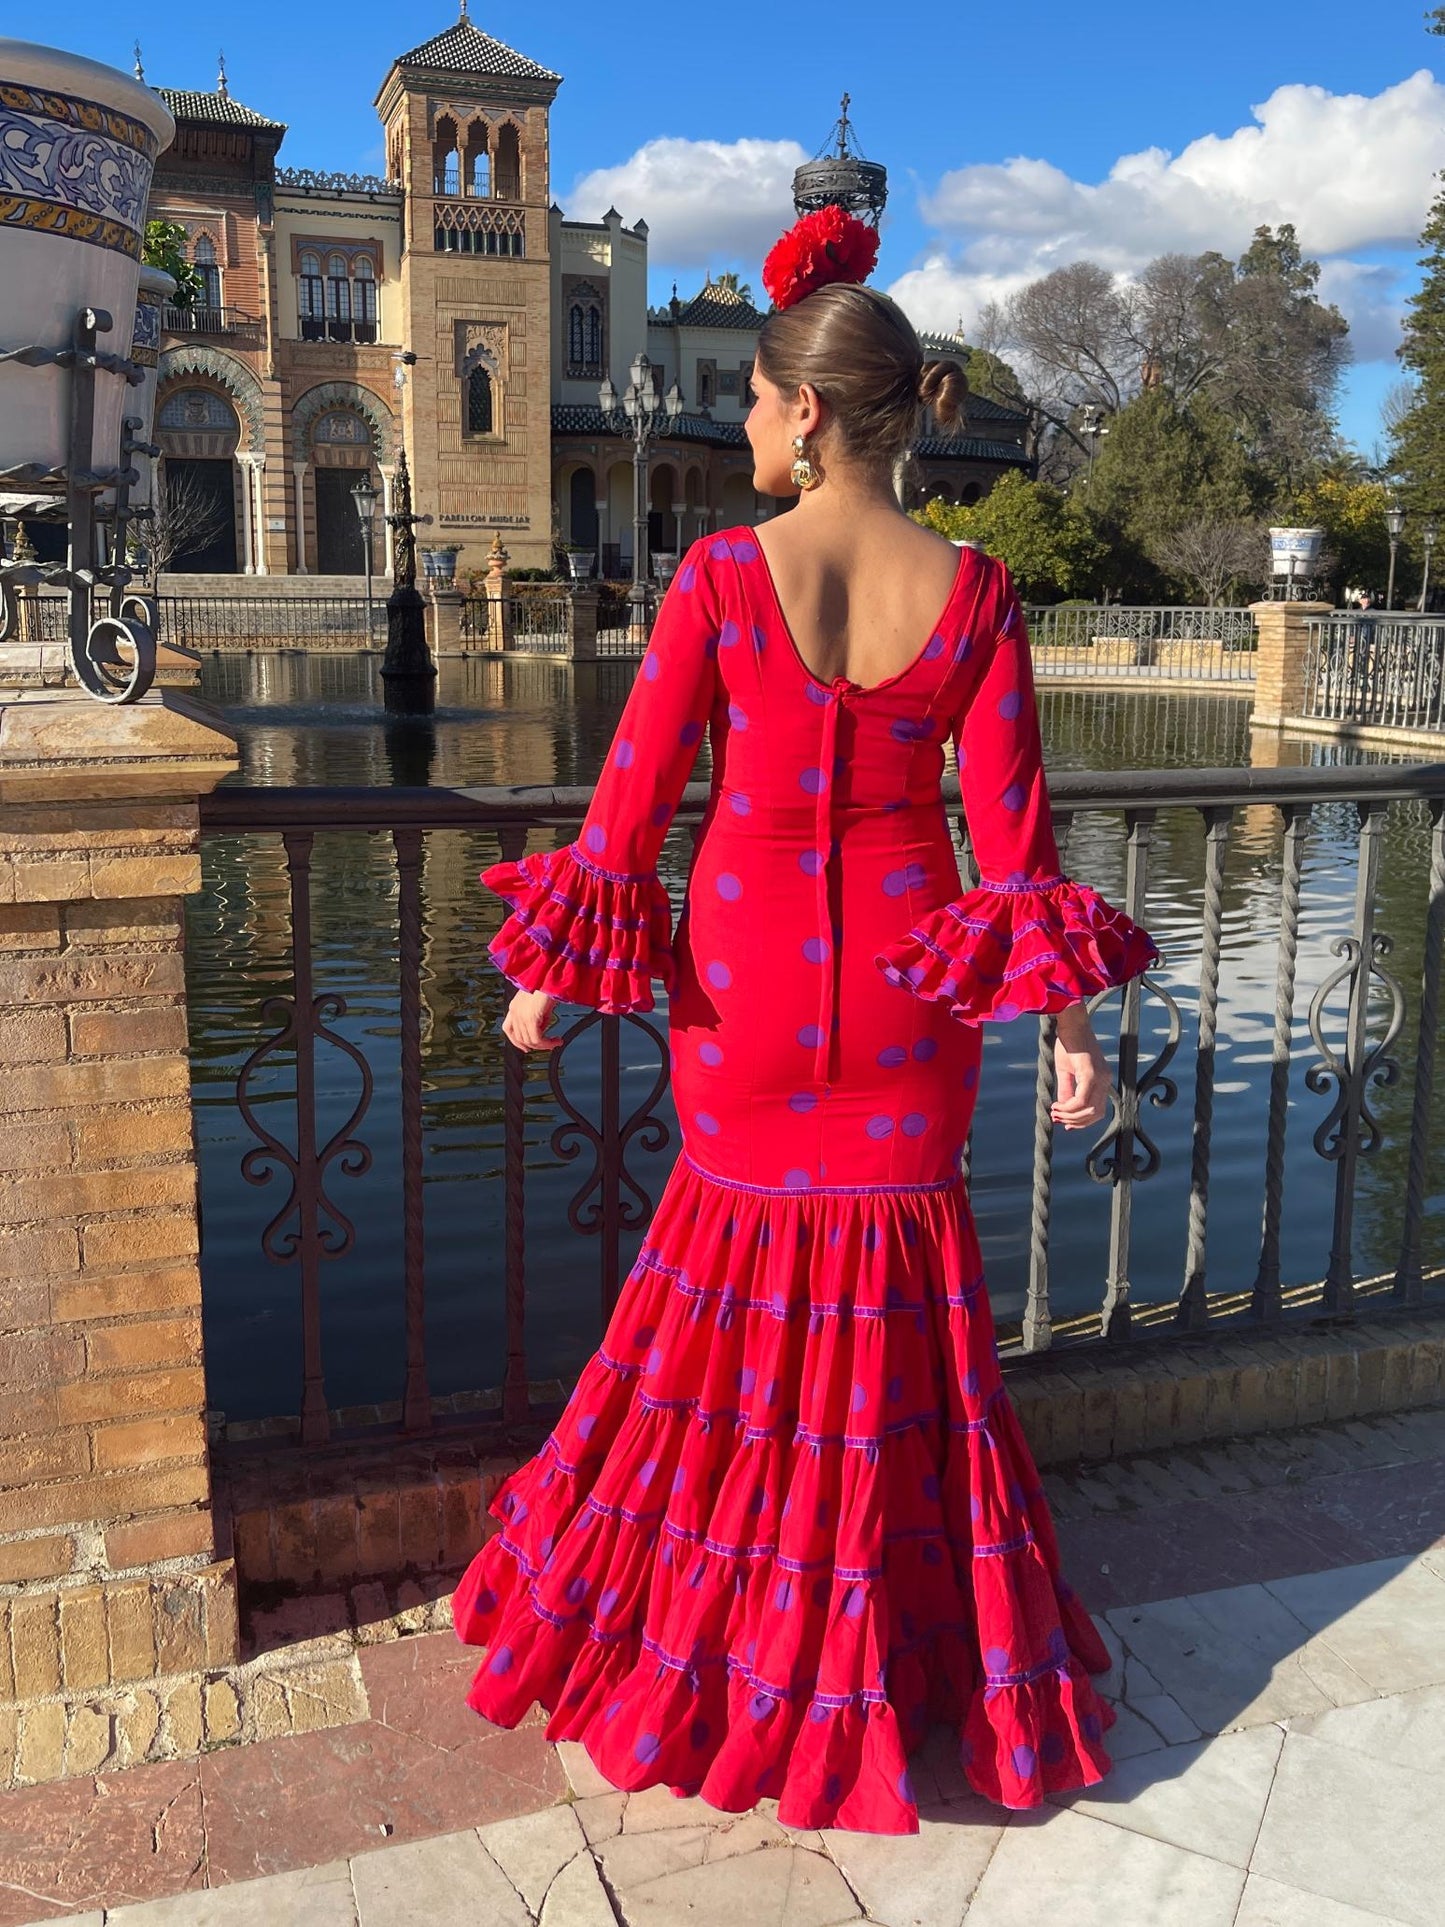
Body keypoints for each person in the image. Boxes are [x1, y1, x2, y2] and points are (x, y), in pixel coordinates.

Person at [452, 205, 1161, 1835]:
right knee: (895, 1334)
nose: (754, 427)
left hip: (745, 998)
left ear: (807, 412)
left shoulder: (717, 575)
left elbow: (628, 815)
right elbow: (1015, 838)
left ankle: (724, 1650)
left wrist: (550, 982)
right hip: (919, 1004)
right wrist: (1065, 1033)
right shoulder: (976, 591)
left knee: (731, 1312)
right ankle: (885, 1655)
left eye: (764, 405)